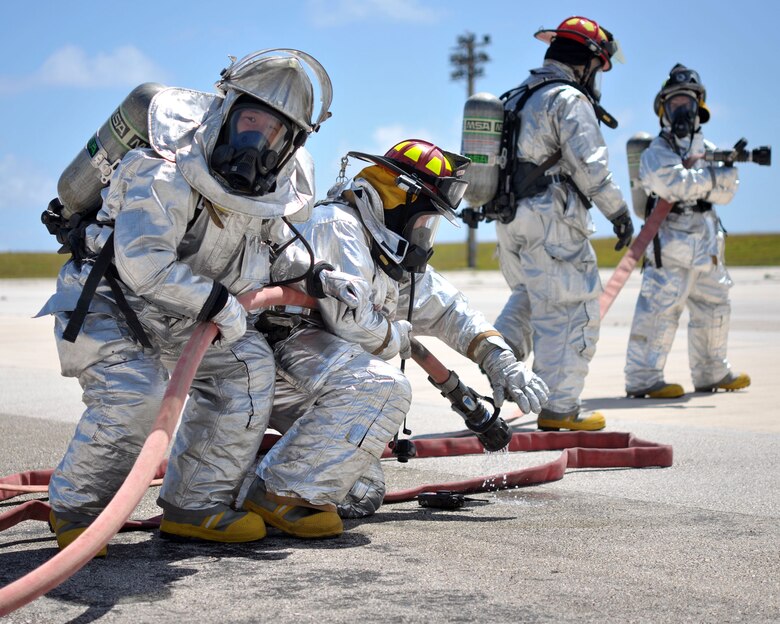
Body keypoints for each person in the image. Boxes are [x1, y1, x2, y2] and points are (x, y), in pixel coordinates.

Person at [38, 49, 364, 553]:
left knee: (250, 366)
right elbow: (144, 262)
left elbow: (276, 250)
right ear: (228, 111)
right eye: (250, 121)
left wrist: (322, 277)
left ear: (290, 142)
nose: (257, 141)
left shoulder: (277, 189)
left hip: (190, 315)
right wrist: (221, 306)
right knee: (136, 393)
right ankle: (77, 512)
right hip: (112, 305)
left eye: (273, 133)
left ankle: (196, 504)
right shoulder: (165, 166)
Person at [240, 139, 550, 537]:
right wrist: (398, 335)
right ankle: (275, 491)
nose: (426, 234)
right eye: (425, 220)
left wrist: (498, 359)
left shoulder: (385, 254)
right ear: (398, 200)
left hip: (317, 374)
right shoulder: (339, 225)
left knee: (360, 494)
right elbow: (351, 324)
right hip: (274, 359)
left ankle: (255, 473)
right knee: (384, 388)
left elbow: (446, 308)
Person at [492, 16, 632, 432]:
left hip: (510, 220)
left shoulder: (518, 95)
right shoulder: (567, 99)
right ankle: (560, 408)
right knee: (572, 312)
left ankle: (493, 370)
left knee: (531, 298)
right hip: (552, 220)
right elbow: (591, 168)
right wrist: (619, 212)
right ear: (587, 62)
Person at [624, 64, 749, 398]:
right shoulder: (657, 151)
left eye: (688, 102)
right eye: (676, 103)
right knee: (659, 310)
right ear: (664, 109)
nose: (682, 109)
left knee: (715, 307)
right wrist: (710, 181)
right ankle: (643, 378)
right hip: (670, 243)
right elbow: (672, 183)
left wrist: (702, 183)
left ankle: (712, 372)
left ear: (700, 107)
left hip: (707, 242)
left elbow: (729, 189)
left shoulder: (707, 149)